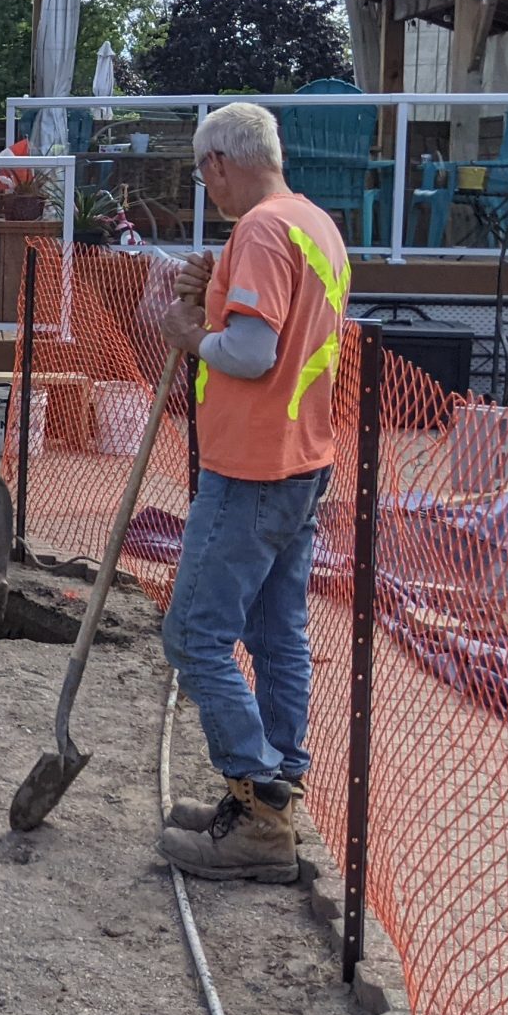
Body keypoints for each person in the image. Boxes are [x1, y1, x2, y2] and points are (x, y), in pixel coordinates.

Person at [151, 101, 350, 883]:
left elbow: (252, 351)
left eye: (207, 175)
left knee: (193, 635)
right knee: (275, 635)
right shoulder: (313, 223)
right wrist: (212, 294)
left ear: (219, 164)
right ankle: (275, 791)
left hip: (254, 469)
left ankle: (259, 810)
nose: (211, 190)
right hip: (301, 461)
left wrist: (190, 335)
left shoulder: (262, 231)